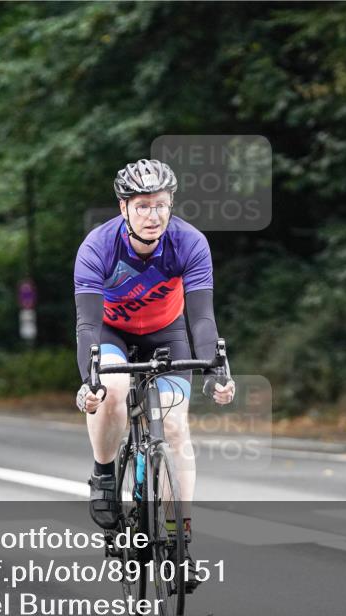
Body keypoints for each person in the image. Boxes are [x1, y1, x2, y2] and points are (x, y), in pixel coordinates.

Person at [73, 158, 235, 588]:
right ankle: (105, 475)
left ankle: (179, 543)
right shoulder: (98, 246)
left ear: (171, 204)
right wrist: (90, 380)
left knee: (176, 426)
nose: (153, 215)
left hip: (167, 333)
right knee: (113, 388)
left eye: (161, 205)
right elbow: (87, 324)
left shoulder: (189, 243)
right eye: (142, 206)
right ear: (123, 207)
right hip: (112, 332)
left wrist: (215, 370)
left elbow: (201, 319)